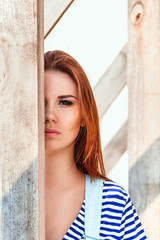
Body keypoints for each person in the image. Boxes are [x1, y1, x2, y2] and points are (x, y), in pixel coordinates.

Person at [44, 50, 147, 240]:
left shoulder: (113, 204)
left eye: (65, 102)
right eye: (39, 102)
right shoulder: (5, 199)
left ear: (83, 116)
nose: (49, 115)